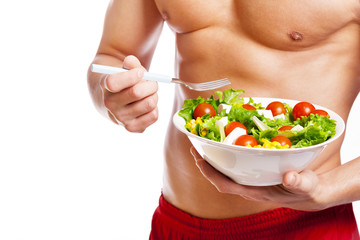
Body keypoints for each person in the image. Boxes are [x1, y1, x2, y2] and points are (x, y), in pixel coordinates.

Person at [87, 0, 360, 239]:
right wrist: (113, 95)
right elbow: (112, 55)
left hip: (305, 227)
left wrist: (328, 189)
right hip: (176, 224)